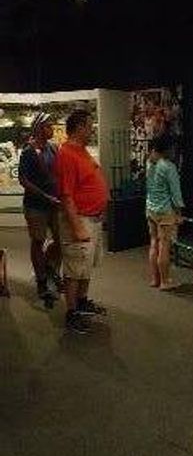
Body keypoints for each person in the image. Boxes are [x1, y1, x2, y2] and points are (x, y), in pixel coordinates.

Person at [54, 110, 109, 334]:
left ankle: (82, 301)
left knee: (86, 266)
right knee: (74, 269)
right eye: (89, 126)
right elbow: (66, 196)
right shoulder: (66, 154)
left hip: (92, 220)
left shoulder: (82, 151)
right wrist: (77, 227)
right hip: (80, 221)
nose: (92, 129)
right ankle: (72, 313)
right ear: (78, 127)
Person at [18, 112, 62, 303]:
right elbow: (23, 179)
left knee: (61, 240)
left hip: (55, 204)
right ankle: (42, 281)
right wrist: (45, 196)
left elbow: (59, 173)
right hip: (36, 205)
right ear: (38, 129)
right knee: (38, 240)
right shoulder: (28, 151)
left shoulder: (53, 148)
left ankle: (50, 268)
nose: (51, 129)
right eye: (47, 126)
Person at [145, 134, 184, 290]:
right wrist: (179, 213)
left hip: (150, 209)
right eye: (172, 148)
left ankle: (155, 279)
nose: (174, 151)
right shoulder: (168, 167)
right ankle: (165, 281)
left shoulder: (150, 163)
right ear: (167, 149)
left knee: (154, 243)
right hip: (165, 211)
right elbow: (176, 193)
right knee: (165, 245)